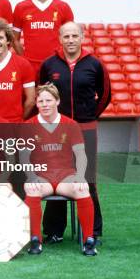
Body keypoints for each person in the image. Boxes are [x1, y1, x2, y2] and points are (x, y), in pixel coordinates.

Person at [38, 21, 111, 245]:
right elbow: (42, 93)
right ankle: (53, 231)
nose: (70, 40)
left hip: (85, 127)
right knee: (56, 174)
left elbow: (105, 94)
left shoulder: (95, 64)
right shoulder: (49, 64)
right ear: (59, 38)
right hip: (57, 128)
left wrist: (88, 116)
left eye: (74, 36)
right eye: (66, 36)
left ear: (81, 37)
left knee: (87, 178)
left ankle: (93, 232)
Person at [21, 83, 98, 256]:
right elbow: (24, 157)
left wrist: (80, 176)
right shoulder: (28, 125)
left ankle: (88, 241)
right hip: (42, 175)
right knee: (31, 188)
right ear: (36, 104)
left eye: (48, 100)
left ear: (57, 101)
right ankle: (35, 240)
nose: (45, 104)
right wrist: (31, 176)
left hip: (66, 175)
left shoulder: (70, 124)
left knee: (83, 188)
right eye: (40, 101)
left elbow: (80, 155)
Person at [13, 0, 74, 73]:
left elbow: (71, 38)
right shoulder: (21, 7)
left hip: (57, 65)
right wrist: (24, 58)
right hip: (30, 66)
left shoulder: (63, 7)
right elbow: (14, 39)